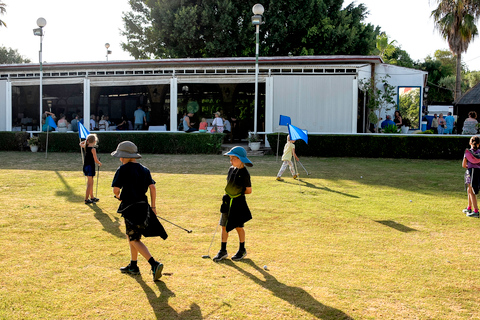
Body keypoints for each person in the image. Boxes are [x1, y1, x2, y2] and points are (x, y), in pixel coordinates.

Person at [111, 141, 167, 280]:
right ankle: (133, 265)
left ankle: (154, 264)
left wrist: (118, 196)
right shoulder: (144, 169)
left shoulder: (122, 169)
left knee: (134, 239)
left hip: (130, 209)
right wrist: (153, 207)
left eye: (120, 156)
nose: (119, 159)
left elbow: (116, 190)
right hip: (143, 207)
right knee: (132, 236)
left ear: (125, 156)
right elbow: (152, 188)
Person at [213, 146, 253, 262]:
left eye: (233, 159)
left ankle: (242, 249)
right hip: (227, 201)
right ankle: (223, 250)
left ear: (241, 159)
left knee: (238, 227)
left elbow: (249, 190)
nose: (231, 161)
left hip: (238, 203)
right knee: (224, 225)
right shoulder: (231, 169)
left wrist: (237, 193)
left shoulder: (245, 173)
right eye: (230, 159)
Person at [80, 134, 102, 204]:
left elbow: (80, 144)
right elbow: (95, 160)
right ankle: (86, 199)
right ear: (95, 141)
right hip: (90, 167)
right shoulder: (93, 149)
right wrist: (100, 163)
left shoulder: (85, 147)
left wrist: (86, 141)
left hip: (86, 166)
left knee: (91, 182)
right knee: (89, 184)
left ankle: (92, 197)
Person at [462, 135, 480, 218]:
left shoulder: (468, 153)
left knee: (471, 191)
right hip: (478, 172)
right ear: (479, 144)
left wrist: (469, 166)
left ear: (470, 143)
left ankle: (475, 211)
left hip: (470, 172)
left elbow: (463, 165)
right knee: (470, 189)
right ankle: (469, 208)